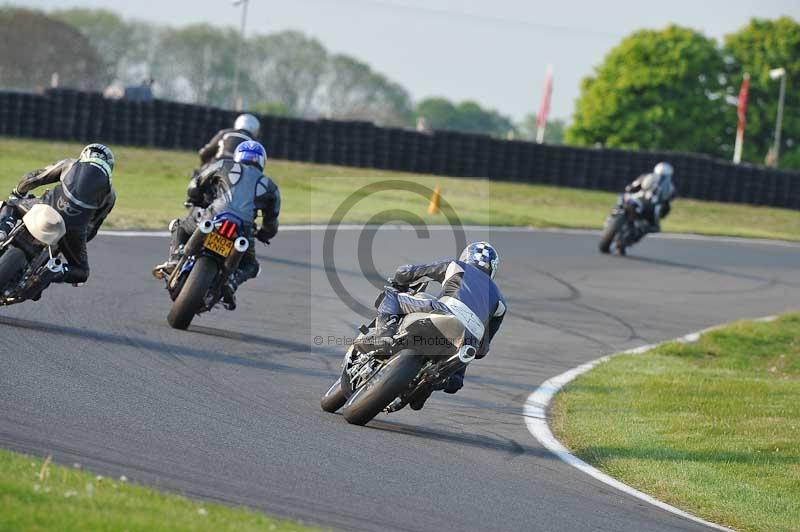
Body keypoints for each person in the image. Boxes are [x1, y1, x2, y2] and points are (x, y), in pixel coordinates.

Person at [364, 241, 507, 410]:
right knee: (455, 381)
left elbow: (406, 271)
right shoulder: (500, 302)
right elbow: (484, 348)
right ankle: (429, 385)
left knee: (392, 296)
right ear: (492, 268)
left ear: (466, 256)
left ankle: (384, 335)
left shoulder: (457, 266)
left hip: (446, 312)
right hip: (469, 340)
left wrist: (399, 283)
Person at [152, 141, 280, 311]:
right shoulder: (271, 187)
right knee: (251, 265)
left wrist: (195, 199)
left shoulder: (224, 164)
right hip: (243, 229)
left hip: (213, 217)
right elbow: (271, 222)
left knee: (180, 227)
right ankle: (231, 283)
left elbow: (196, 184)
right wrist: (264, 234)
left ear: (238, 155)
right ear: (262, 161)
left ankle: (175, 260)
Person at [0, 143, 116, 286]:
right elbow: (92, 228)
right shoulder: (110, 195)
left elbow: (34, 178)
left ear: (84, 155)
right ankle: (55, 271)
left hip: (45, 207)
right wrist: (76, 244)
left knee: (10, 204)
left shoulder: (70, 164)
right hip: (71, 231)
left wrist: (17, 193)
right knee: (82, 273)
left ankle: (2, 230)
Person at [190, 114, 261, 208]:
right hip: (239, 173)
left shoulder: (225, 133)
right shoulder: (255, 143)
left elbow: (205, 152)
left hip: (216, 166)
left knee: (198, 175)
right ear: (256, 129)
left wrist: (203, 164)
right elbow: (257, 165)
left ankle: (193, 200)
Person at [624, 162, 676, 233]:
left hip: (649, 207)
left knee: (654, 227)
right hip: (641, 200)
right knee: (624, 199)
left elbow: (668, 203)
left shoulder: (670, 187)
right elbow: (632, 186)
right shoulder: (647, 177)